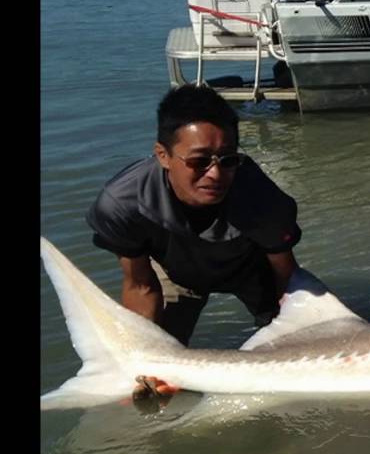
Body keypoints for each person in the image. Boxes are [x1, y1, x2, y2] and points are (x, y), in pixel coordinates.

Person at [86, 85, 300, 352]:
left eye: (228, 159)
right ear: (163, 155)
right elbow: (141, 286)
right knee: (153, 359)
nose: (215, 174)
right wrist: (143, 354)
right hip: (176, 273)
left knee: (296, 346)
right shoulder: (121, 205)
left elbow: (287, 278)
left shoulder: (264, 199)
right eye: (199, 161)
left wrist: (294, 331)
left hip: (252, 270)